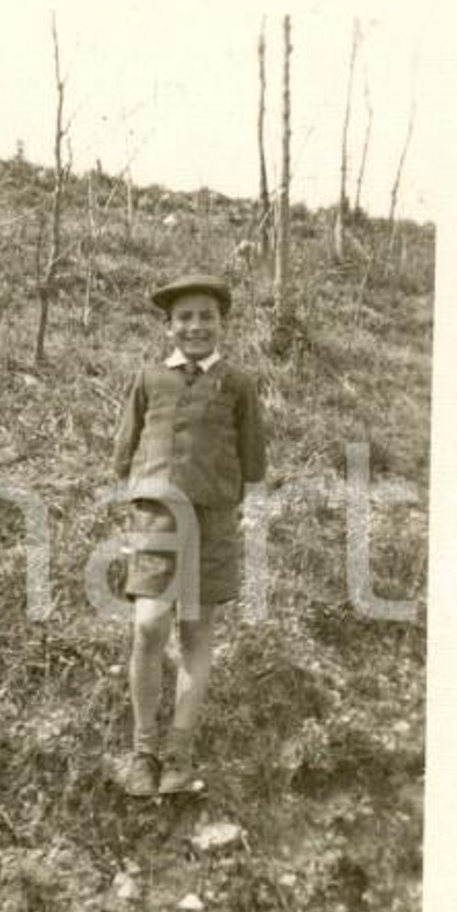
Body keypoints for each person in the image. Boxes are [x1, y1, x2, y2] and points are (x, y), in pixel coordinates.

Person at [111, 274, 267, 796]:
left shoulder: (238, 383)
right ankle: (143, 749)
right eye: (185, 317)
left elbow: (253, 461)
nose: (196, 326)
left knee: (197, 633)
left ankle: (178, 750)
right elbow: (123, 449)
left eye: (206, 316)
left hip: (213, 523)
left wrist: (219, 496)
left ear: (222, 324)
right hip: (157, 519)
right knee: (149, 626)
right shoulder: (149, 378)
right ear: (169, 325)